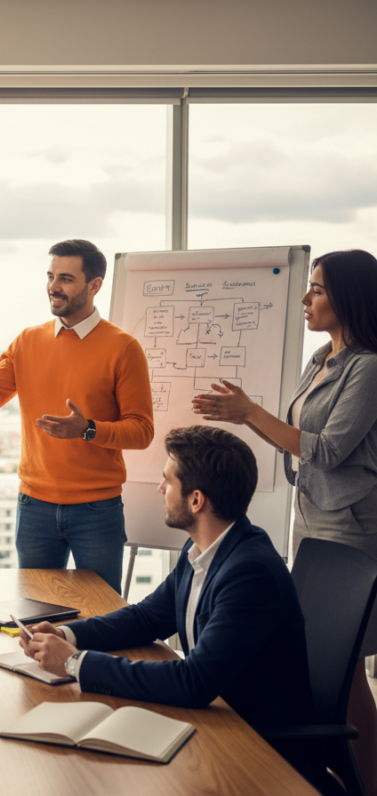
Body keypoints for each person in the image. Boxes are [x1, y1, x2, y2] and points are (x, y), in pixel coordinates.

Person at [192, 248, 377, 793]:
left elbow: (328, 448)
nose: (305, 298)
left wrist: (250, 413)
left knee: (345, 672)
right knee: (322, 663)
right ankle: (333, 772)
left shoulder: (369, 366)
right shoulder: (320, 359)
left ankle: (364, 780)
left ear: (348, 296)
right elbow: (297, 442)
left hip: (349, 527)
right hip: (311, 518)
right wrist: (245, 419)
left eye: (316, 289)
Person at [19, 426, 315, 754]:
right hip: (216, 721)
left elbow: (194, 682)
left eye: (168, 480)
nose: (160, 488)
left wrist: (75, 663)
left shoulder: (250, 573)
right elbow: (147, 618)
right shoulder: (204, 547)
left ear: (196, 500)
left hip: (255, 747)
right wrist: (66, 635)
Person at [0, 239, 153, 592]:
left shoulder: (123, 348)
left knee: (100, 618)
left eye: (65, 278)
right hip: (34, 507)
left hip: (97, 511)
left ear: (94, 286)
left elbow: (142, 431)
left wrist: (88, 429)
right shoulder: (26, 342)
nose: (53, 287)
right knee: (35, 617)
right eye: (50, 276)